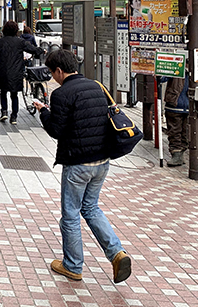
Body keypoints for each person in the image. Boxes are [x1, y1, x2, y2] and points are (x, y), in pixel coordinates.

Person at [33, 49, 132, 284]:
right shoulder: (96, 86)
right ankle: (117, 253)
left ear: (59, 70)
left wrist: (44, 112)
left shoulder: (61, 94)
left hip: (77, 164)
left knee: (70, 216)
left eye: (52, 72)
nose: (52, 77)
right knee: (91, 209)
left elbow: (56, 131)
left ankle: (73, 266)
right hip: (102, 162)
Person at [0, 21, 44, 125]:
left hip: (3, 70)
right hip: (16, 71)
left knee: (3, 92)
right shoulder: (20, 42)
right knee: (14, 94)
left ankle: (4, 111)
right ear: (16, 30)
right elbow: (32, 49)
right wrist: (42, 50)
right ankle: (14, 117)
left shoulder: (0, 42)